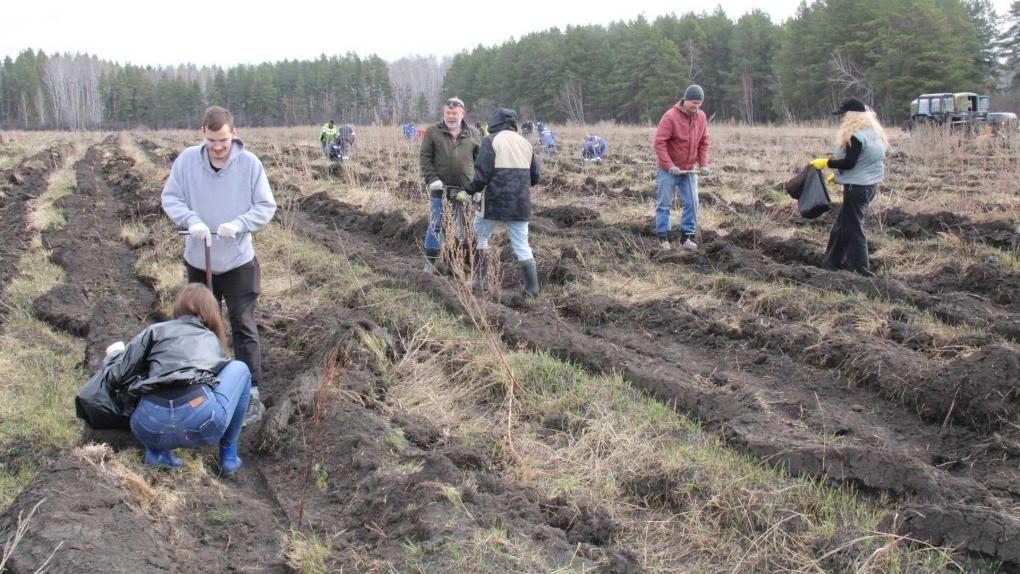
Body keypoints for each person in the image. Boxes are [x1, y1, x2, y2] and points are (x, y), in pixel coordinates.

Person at [161, 106, 277, 427]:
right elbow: (171, 197)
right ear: (203, 134)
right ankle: (199, 385)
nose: (217, 147)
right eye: (212, 140)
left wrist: (240, 223)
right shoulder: (187, 162)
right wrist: (191, 220)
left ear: (234, 134)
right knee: (198, 324)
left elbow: (266, 206)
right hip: (200, 260)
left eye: (223, 140)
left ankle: (250, 390)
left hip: (238, 260)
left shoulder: (249, 165)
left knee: (242, 323)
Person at [99, 284, 251, 474]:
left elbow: (116, 375)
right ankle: (228, 457)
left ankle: (157, 453)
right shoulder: (211, 340)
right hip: (200, 422)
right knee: (240, 368)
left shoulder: (154, 331)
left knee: (152, 389)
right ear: (211, 312)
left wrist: (114, 356)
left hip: (149, 426)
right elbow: (219, 383)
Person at [464, 108, 541, 297]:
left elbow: (482, 176)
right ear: (513, 123)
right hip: (520, 204)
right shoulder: (525, 143)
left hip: (494, 202)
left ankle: (481, 281)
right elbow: (535, 177)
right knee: (522, 245)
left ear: (495, 122)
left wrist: (467, 190)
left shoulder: (490, 141)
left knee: (480, 236)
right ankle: (532, 289)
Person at [809, 97, 888, 277]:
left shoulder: (856, 137)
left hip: (856, 189)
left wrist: (826, 163)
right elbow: (866, 161)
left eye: (844, 115)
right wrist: (837, 177)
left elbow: (849, 162)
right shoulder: (873, 133)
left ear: (852, 116)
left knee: (853, 229)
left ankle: (861, 271)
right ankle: (831, 264)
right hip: (869, 187)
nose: (842, 118)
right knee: (841, 226)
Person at [419, 97, 481, 270]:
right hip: (440, 188)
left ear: (462, 113)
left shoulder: (474, 134)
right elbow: (425, 158)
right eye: (448, 112)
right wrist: (432, 179)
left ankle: (462, 263)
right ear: (443, 113)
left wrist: (478, 187)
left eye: (454, 113)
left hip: (465, 190)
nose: (451, 116)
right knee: (435, 224)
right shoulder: (433, 132)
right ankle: (430, 263)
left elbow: (481, 163)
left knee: (466, 228)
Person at [653, 84, 711, 251]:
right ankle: (663, 237)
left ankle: (687, 237)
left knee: (693, 203)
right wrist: (669, 165)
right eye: (694, 102)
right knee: (665, 204)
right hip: (668, 170)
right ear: (685, 100)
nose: (696, 106)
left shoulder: (701, 117)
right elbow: (659, 143)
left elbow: (704, 143)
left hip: (689, 170)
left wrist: (704, 164)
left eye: (699, 103)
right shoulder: (670, 116)